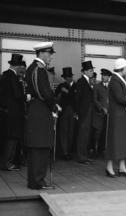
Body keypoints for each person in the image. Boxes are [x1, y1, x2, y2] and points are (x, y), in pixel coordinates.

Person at [25, 42, 60, 190]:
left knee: (37, 147)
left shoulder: (33, 68)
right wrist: (54, 106)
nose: (51, 56)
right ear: (41, 53)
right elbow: (44, 93)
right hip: (41, 111)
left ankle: (35, 180)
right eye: (49, 53)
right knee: (41, 146)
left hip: (36, 110)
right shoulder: (39, 69)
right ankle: (37, 181)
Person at [105, 58, 126, 178]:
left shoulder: (119, 80)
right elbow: (120, 98)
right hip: (117, 116)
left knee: (122, 141)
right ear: (122, 68)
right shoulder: (115, 81)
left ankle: (122, 167)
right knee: (115, 141)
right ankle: (109, 167)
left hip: (121, 115)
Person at [0, 54, 25, 171]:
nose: (21, 68)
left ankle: (6, 162)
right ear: (17, 66)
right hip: (14, 113)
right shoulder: (13, 77)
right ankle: (8, 163)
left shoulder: (5, 74)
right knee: (12, 138)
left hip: (7, 111)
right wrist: (27, 96)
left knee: (8, 137)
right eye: (20, 66)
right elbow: (17, 94)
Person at [75, 60, 95, 164]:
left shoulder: (87, 82)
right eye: (90, 70)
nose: (92, 72)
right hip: (84, 113)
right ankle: (81, 157)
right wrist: (78, 113)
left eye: (92, 70)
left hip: (88, 111)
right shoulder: (81, 82)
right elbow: (77, 98)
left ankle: (85, 155)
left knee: (86, 134)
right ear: (85, 72)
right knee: (83, 135)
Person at [55, 67, 77, 160]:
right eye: (66, 77)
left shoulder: (76, 86)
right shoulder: (61, 86)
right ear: (64, 78)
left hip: (73, 112)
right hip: (63, 112)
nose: (68, 78)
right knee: (64, 132)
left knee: (71, 132)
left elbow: (76, 97)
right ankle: (64, 152)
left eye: (69, 76)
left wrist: (67, 92)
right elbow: (56, 97)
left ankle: (69, 151)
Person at [92, 68, 111, 157]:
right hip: (99, 114)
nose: (103, 77)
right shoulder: (97, 86)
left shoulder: (112, 87)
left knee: (106, 132)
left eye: (105, 76)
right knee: (97, 132)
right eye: (102, 75)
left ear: (109, 77)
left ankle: (103, 149)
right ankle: (95, 149)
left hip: (109, 114)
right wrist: (102, 108)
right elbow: (95, 99)